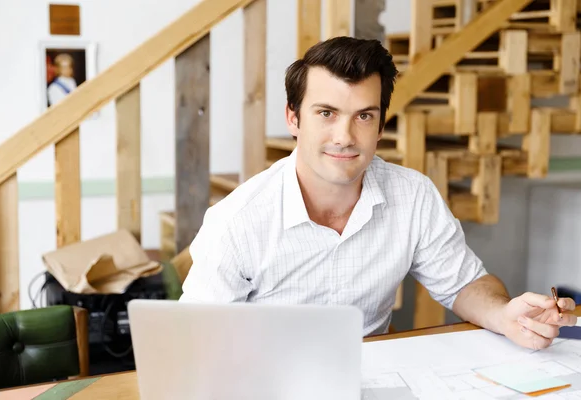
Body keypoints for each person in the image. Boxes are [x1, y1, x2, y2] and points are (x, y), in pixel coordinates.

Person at [179, 36, 577, 350]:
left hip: (373, 377)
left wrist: (506, 314)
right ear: (293, 118)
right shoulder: (238, 218)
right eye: (326, 113)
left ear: (381, 125)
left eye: (364, 116)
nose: (344, 137)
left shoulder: (413, 195)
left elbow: (464, 284)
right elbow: (195, 341)